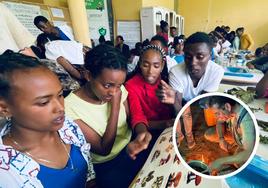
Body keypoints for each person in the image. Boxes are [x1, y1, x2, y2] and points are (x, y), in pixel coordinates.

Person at [0, 52, 95, 187]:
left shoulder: (68, 128)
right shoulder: (6, 171)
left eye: (60, 95)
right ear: (4, 109)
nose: (60, 108)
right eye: (44, 102)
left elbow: (89, 176)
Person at [64, 44, 151, 187]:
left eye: (119, 85)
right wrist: (115, 106)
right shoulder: (70, 108)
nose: (114, 91)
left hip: (131, 149)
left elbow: (132, 118)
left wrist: (141, 133)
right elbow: (104, 150)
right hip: (107, 165)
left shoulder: (116, 86)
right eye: (107, 85)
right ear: (88, 75)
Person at [156, 32, 225, 149]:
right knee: (182, 116)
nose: (193, 63)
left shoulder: (216, 71)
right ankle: (183, 137)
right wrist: (174, 102)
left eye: (200, 57)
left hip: (201, 104)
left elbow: (203, 103)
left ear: (210, 56)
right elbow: (177, 109)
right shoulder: (176, 72)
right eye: (188, 57)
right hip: (183, 105)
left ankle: (190, 136)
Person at [125, 45, 175, 143]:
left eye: (156, 66)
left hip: (171, 130)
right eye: (145, 65)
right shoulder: (131, 85)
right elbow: (137, 116)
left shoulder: (168, 80)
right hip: (148, 133)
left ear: (162, 65)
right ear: (139, 64)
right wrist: (142, 134)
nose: (150, 71)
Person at [206, 96, 255, 175]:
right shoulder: (228, 111)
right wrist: (221, 139)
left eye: (217, 113)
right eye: (216, 114)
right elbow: (219, 121)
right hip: (235, 134)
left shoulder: (246, 120)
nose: (217, 117)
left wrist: (220, 161)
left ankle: (239, 144)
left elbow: (248, 153)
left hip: (245, 138)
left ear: (227, 106)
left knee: (239, 163)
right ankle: (236, 143)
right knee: (209, 134)